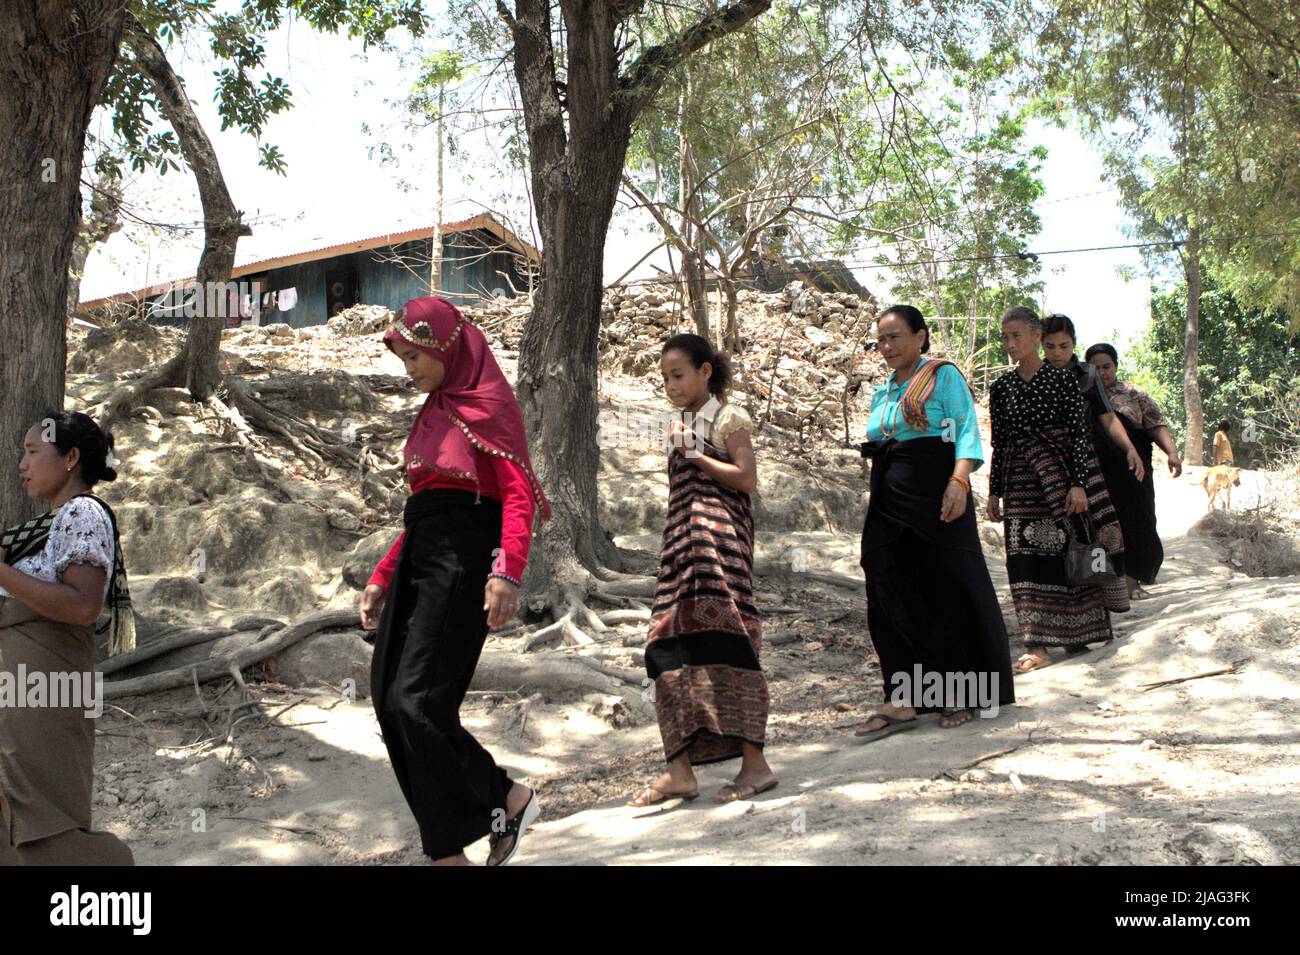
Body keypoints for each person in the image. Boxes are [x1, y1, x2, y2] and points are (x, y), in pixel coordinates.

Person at [359, 296, 550, 866]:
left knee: (419, 702)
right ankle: (450, 849)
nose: (410, 368)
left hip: (466, 559)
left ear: (446, 346)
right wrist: (382, 576)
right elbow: (422, 510)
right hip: (421, 554)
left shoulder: (489, 403)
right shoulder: (433, 410)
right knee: (388, 702)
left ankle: (506, 801)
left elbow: (518, 496)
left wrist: (506, 571)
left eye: (417, 355)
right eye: (403, 358)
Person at [852, 306, 1013, 741]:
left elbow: (964, 429)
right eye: (881, 340)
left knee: (946, 586)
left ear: (921, 337)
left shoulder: (943, 377)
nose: (887, 347)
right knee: (887, 584)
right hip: (889, 495)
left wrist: (959, 481)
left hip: (938, 493)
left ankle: (959, 691)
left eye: (896, 337)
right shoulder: (883, 390)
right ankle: (902, 696)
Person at [630, 333, 776, 806]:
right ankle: (680, 771)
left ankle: (755, 767)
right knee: (666, 647)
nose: (670, 384)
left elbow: (747, 479)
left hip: (722, 553)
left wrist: (695, 453)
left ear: (705, 372)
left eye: (679, 374)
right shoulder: (681, 422)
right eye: (665, 377)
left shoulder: (727, 419)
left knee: (730, 642)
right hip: (681, 554)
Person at [0, 411, 135, 866]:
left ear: (71, 458)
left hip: (48, 690)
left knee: (41, 818)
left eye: (33, 452)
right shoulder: (46, 526)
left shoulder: (84, 513)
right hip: (22, 689)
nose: (22, 463)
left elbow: (82, 605)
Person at [986, 308, 1129, 674]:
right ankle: (1037, 643)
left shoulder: (1066, 381)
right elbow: (1000, 442)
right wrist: (994, 492)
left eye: (1016, 335)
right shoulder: (1001, 388)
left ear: (1036, 336)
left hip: (1061, 480)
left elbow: (1079, 436)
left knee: (1066, 552)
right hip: (1020, 483)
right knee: (1023, 560)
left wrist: (1079, 484)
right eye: (1005, 337)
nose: (1010, 343)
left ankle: (1076, 633)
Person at [1085, 343, 1183, 598]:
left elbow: (1155, 424)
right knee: (1101, 525)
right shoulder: (1081, 394)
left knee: (1139, 520)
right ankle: (1103, 583)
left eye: (1106, 366)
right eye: (1096, 368)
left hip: (1133, 471)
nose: (1102, 372)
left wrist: (1171, 453)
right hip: (1096, 472)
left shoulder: (1133, 394)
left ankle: (1131, 580)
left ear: (1115, 366)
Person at [1040, 314, 1146, 484]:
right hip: (1044, 457)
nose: (1057, 353)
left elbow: (1108, 417)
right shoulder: (1035, 376)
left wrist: (1130, 449)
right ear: (1041, 344)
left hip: (1085, 455)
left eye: (1064, 346)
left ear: (1074, 344)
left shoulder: (1088, 374)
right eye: (1050, 346)